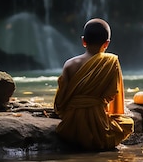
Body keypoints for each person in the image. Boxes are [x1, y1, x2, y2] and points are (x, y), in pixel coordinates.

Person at [53, 18, 134, 151]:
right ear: (106, 44)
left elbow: (61, 100)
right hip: (99, 121)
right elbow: (112, 93)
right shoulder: (111, 62)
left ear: (83, 41)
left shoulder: (69, 64)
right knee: (127, 124)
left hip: (72, 124)